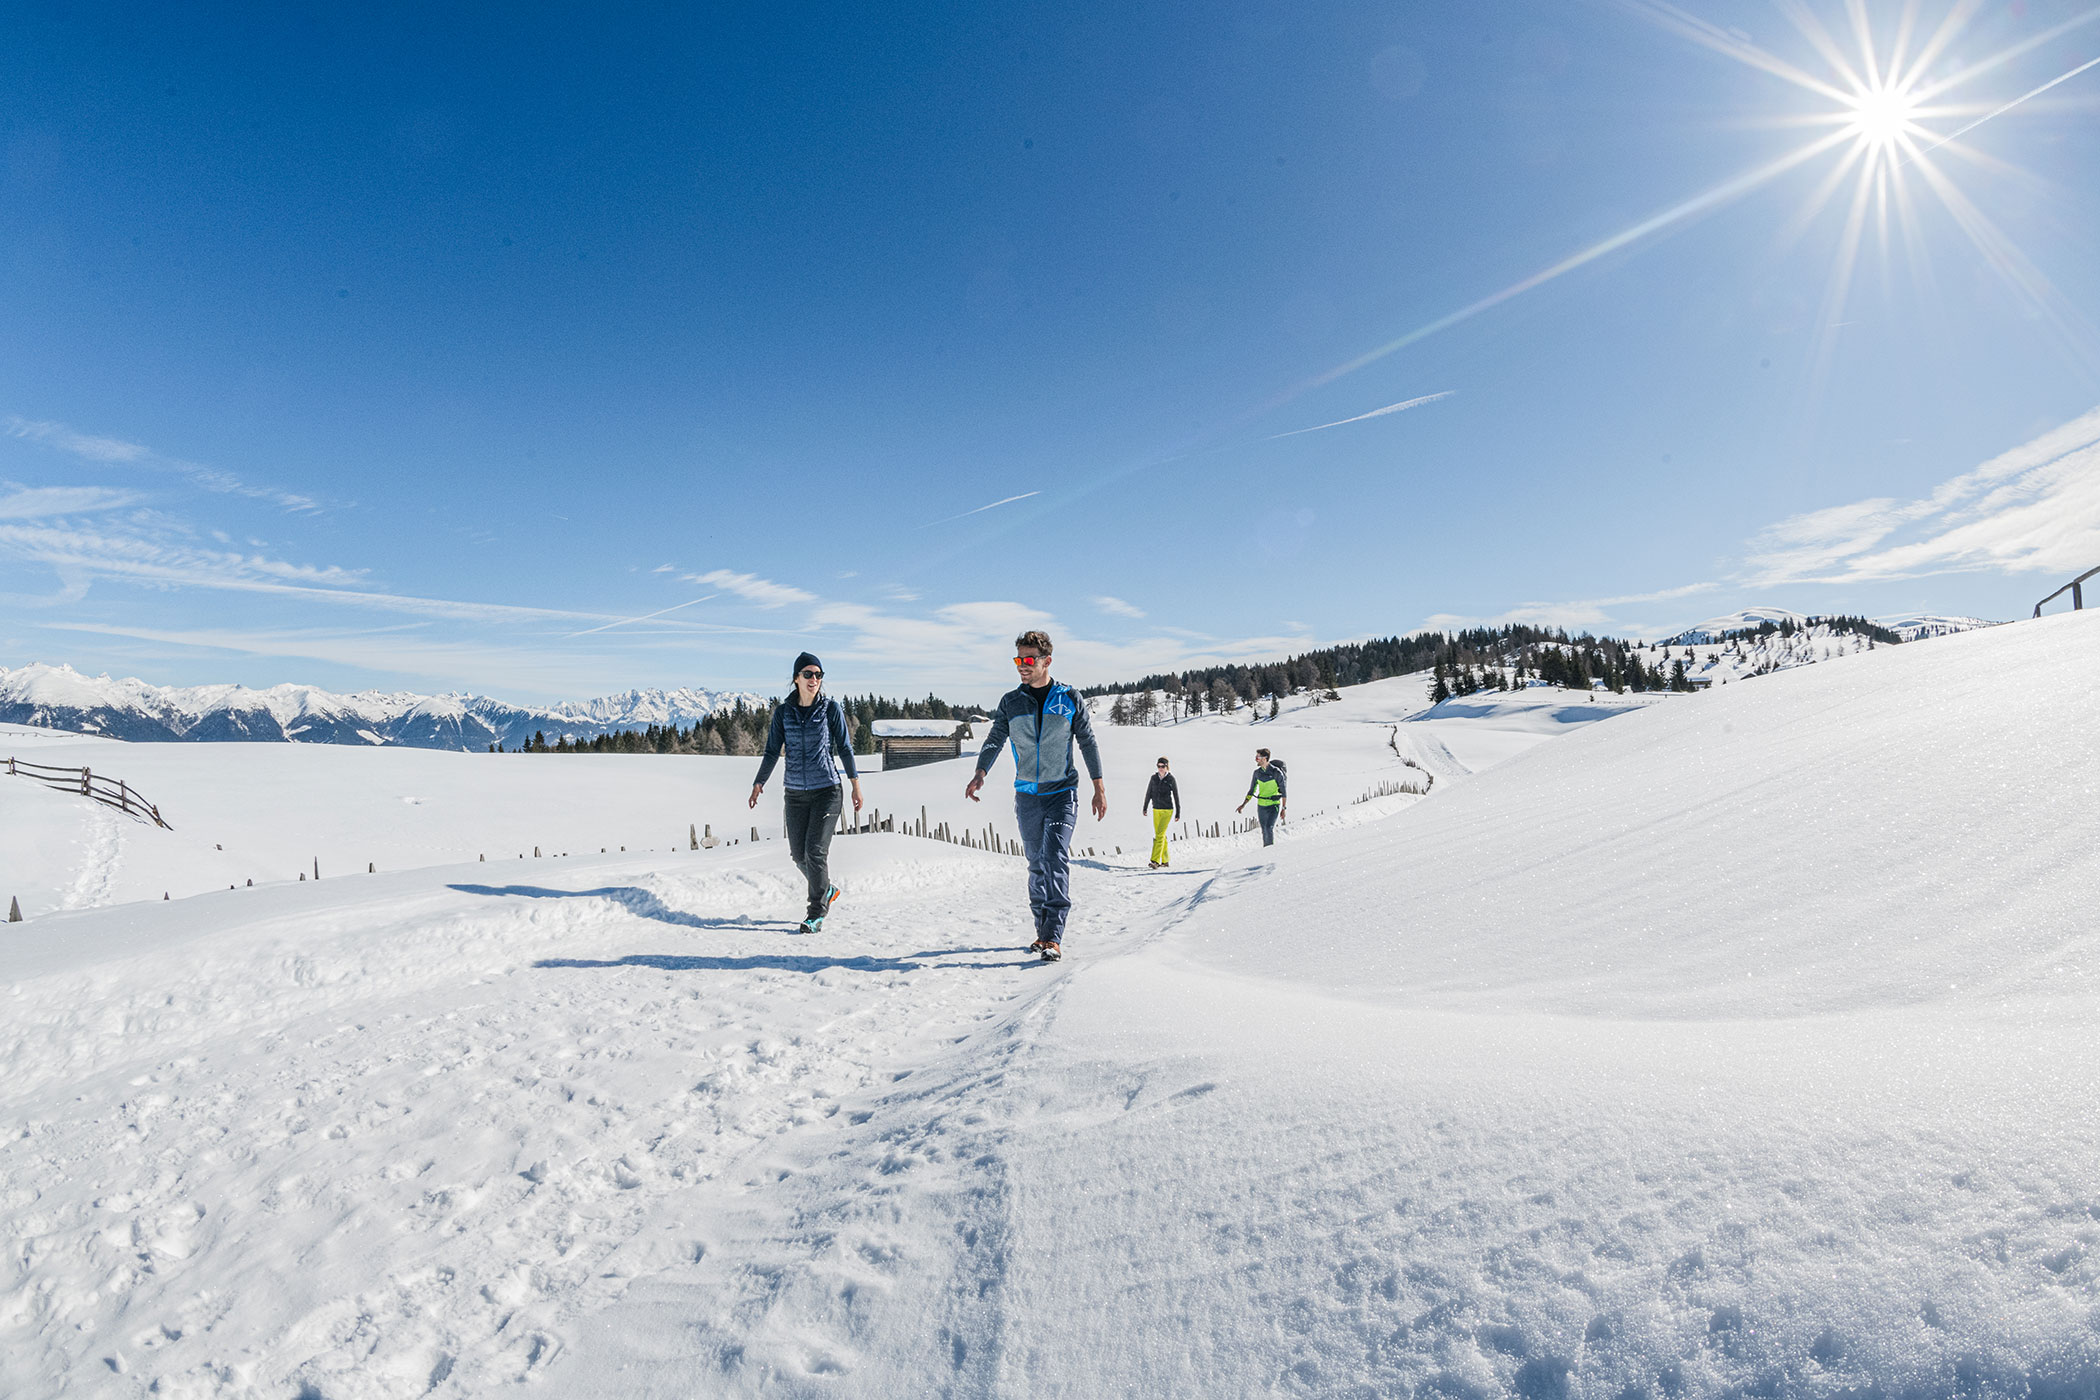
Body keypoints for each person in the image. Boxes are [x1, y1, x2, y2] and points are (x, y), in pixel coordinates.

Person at [964, 629, 1106, 960]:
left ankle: (1054, 936)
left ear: (1047, 661)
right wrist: (980, 772)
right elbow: (995, 738)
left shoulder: (1069, 698)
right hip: (1027, 795)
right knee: (1036, 864)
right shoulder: (1011, 702)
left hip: (1062, 792)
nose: (1022, 666)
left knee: (1055, 856)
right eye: (1018, 660)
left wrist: (1098, 787)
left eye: (1029, 660)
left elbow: (1087, 741)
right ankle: (1042, 932)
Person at [749, 652, 863, 933]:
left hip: (827, 790)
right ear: (796, 678)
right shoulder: (783, 713)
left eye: (818, 675)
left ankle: (816, 913)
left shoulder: (830, 709)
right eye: (808, 674)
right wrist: (759, 782)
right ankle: (826, 889)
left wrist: (855, 785)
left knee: (815, 852)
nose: (814, 679)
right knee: (798, 855)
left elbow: (844, 748)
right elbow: (772, 751)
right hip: (795, 793)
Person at [1236, 747, 1287, 847]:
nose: (1256, 760)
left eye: (1258, 757)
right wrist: (1243, 805)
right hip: (1261, 806)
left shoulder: (1276, 773)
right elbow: (1251, 790)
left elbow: (1284, 792)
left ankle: (1269, 851)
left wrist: (1283, 808)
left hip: (1274, 805)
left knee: (1268, 828)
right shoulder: (1257, 773)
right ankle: (1266, 850)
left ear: (1265, 758)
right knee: (1264, 830)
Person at [1142, 756, 1180, 868]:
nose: (1160, 768)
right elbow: (1148, 793)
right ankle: (1165, 860)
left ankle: (1155, 861)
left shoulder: (1171, 779)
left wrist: (1178, 812)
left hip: (1167, 810)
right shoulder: (1154, 778)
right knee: (1161, 835)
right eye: (1158, 766)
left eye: (1162, 766)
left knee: (1159, 835)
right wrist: (1145, 807)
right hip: (1156, 809)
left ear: (1167, 767)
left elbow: (1176, 796)